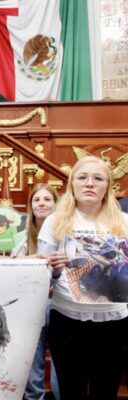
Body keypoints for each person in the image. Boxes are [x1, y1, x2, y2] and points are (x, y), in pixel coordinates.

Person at [38, 156, 128, 399]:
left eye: (97, 178)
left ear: (107, 186)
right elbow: (41, 277)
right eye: (82, 178)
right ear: (72, 184)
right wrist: (54, 270)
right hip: (68, 321)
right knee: (70, 393)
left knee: (105, 393)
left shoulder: (125, 223)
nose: (89, 183)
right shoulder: (54, 221)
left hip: (115, 324)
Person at [12, 183, 60, 400]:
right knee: (32, 368)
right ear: (31, 206)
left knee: (62, 369)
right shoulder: (24, 237)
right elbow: (13, 267)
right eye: (37, 200)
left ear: (56, 204)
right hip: (32, 305)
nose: (42, 203)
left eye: (47, 199)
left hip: (60, 305)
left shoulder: (66, 233)